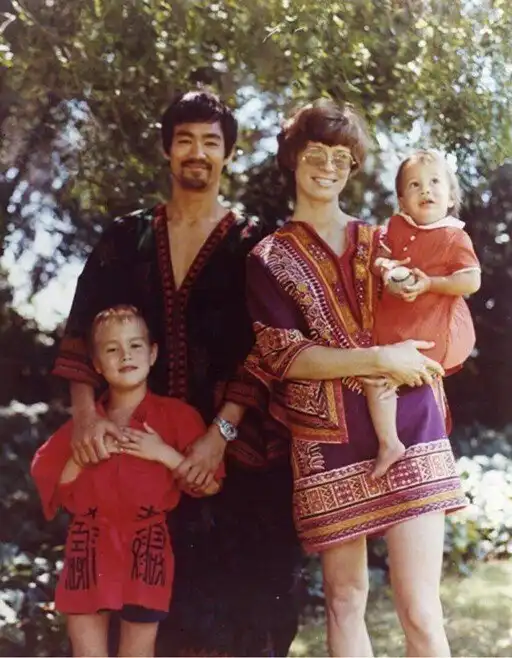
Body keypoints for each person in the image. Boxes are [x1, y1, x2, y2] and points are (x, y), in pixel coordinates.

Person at [52, 90, 301, 657]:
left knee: (240, 612)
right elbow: (80, 330)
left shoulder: (253, 244)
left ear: (228, 154)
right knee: (145, 616)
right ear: (167, 151)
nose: (197, 152)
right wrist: (86, 417)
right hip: (135, 451)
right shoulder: (126, 238)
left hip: (230, 458)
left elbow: (264, 350)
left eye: (211, 142)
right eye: (184, 140)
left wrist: (219, 436)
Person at [245, 99, 467, 657]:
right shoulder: (268, 257)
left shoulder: (383, 241)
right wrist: (380, 359)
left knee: (421, 610)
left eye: (341, 157)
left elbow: (444, 299)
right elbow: (285, 356)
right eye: (316, 153)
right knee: (345, 600)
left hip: (411, 421)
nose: (328, 166)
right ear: (292, 159)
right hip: (328, 439)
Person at [32, 305, 222, 657]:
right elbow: (54, 488)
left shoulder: (177, 417)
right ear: (96, 364)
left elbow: (208, 484)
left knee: (137, 650)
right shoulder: (84, 427)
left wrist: (162, 453)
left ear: (153, 354)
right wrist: (81, 454)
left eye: (135, 346)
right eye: (112, 349)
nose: (125, 356)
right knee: (87, 652)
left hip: (146, 547)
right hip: (88, 545)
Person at [366, 149, 481, 477]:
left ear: (450, 198)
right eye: (414, 184)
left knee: (391, 381)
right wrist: (387, 270)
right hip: (394, 330)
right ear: (402, 201)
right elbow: (377, 260)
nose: (425, 189)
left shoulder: (454, 235)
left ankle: (402, 445)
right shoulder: (395, 227)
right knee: (375, 375)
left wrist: (431, 283)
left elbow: (471, 280)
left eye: (434, 182)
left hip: (429, 332)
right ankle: (391, 442)